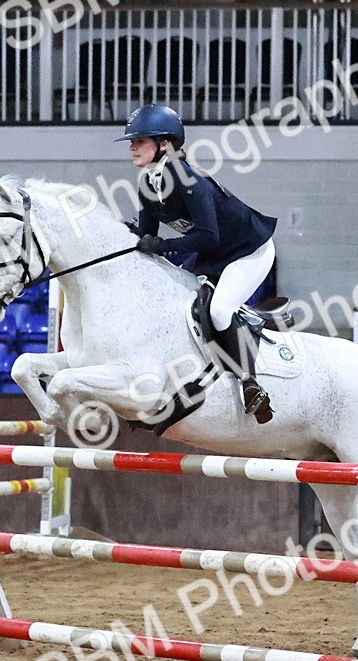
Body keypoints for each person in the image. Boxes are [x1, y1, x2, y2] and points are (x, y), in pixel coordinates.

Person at [117, 103, 278, 424]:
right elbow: (148, 235)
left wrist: (163, 247)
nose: (132, 147)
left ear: (164, 144)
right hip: (214, 254)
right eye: (132, 141)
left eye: (140, 141)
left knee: (219, 311)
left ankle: (250, 383)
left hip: (249, 251)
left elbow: (207, 235)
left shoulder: (189, 180)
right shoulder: (148, 183)